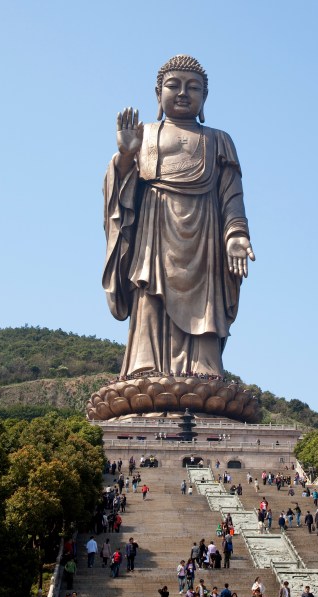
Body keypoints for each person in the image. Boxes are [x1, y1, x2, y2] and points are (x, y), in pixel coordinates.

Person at [102, 54, 254, 380]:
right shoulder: (145, 134)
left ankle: (205, 370)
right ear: (158, 94)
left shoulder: (219, 140)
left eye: (193, 87)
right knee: (149, 295)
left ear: (205, 97)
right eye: (174, 85)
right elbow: (120, 194)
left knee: (206, 305)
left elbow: (232, 194)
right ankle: (146, 367)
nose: (183, 93)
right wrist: (127, 156)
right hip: (154, 231)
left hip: (205, 236)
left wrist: (236, 234)